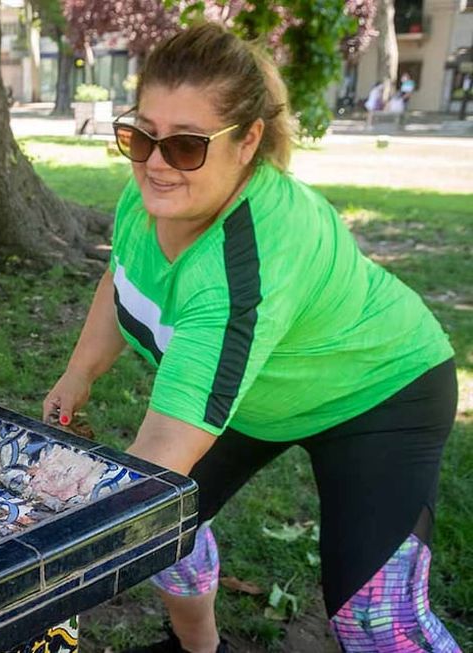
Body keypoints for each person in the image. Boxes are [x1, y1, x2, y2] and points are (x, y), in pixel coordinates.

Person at [43, 22, 459, 653]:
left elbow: (161, 454)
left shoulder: (246, 261)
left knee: (374, 620)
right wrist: (78, 375)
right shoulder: (149, 197)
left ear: (248, 140)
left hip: (380, 391)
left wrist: (40, 518)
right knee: (165, 526)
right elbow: (121, 278)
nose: (155, 163)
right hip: (255, 389)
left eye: (186, 146)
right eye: (141, 135)